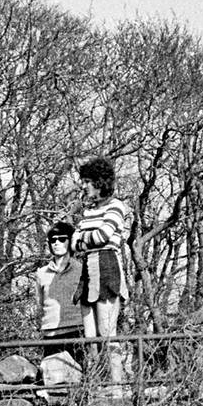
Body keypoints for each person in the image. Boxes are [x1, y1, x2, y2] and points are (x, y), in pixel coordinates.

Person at [71, 156, 131, 383]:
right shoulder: (88, 212)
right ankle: (95, 387)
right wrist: (84, 241)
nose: (84, 186)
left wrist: (82, 240)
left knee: (108, 333)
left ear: (99, 181)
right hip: (87, 271)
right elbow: (75, 242)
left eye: (87, 181)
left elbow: (103, 236)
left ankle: (117, 387)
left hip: (107, 268)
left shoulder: (116, 206)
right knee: (90, 337)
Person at [35, 220, 86, 363]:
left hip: (76, 331)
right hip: (50, 335)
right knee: (53, 381)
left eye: (62, 239)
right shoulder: (41, 273)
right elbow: (39, 303)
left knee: (78, 378)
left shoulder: (82, 269)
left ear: (70, 241)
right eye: (53, 240)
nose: (57, 243)